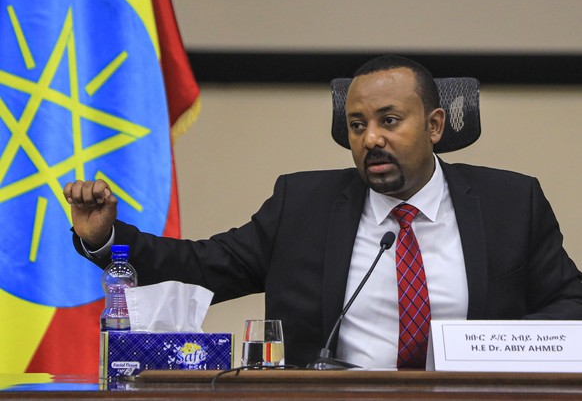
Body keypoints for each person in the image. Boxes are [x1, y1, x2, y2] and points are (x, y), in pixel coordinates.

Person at [64, 55, 582, 370]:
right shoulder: (303, 206)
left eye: (389, 120)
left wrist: (496, 347)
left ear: (436, 125)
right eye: (357, 125)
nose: (371, 138)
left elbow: (570, 303)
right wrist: (107, 238)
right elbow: (202, 267)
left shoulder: (510, 203)